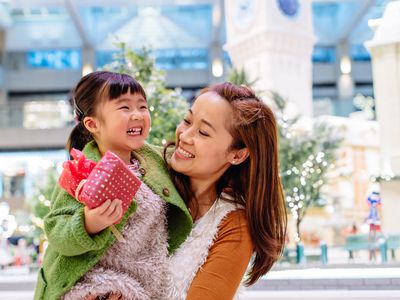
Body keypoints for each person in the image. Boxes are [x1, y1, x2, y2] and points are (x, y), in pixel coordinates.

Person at [34, 71, 192, 300]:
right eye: (124, 108)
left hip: (147, 285)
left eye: (142, 107)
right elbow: (56, 230)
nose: (137, 115)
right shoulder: (81, 171)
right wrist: (87, 224)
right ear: (92, 124)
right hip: (93, 287)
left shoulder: (156, 161)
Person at [166, 82, 287, 299]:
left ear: (237, 154)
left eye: (203, 132)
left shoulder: (234, 224)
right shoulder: (145, 172)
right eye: (187, 121)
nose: (184, 136)